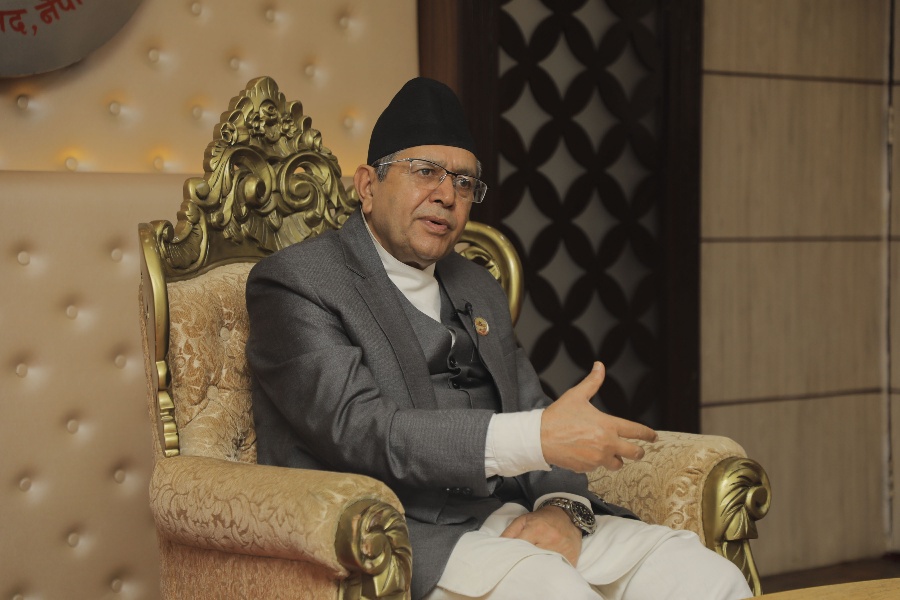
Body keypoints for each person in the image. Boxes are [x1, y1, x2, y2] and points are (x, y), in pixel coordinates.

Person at [246, 77, 752, 600]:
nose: (446, 195)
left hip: (515, 517)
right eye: (425, 171)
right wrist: (535, 439)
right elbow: (362, 431)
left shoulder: (475, 284)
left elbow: (532, 408)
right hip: (401, 537)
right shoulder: (298, 282)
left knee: (708, 579)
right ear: (368, 186)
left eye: (464, 182)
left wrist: (562, 509)